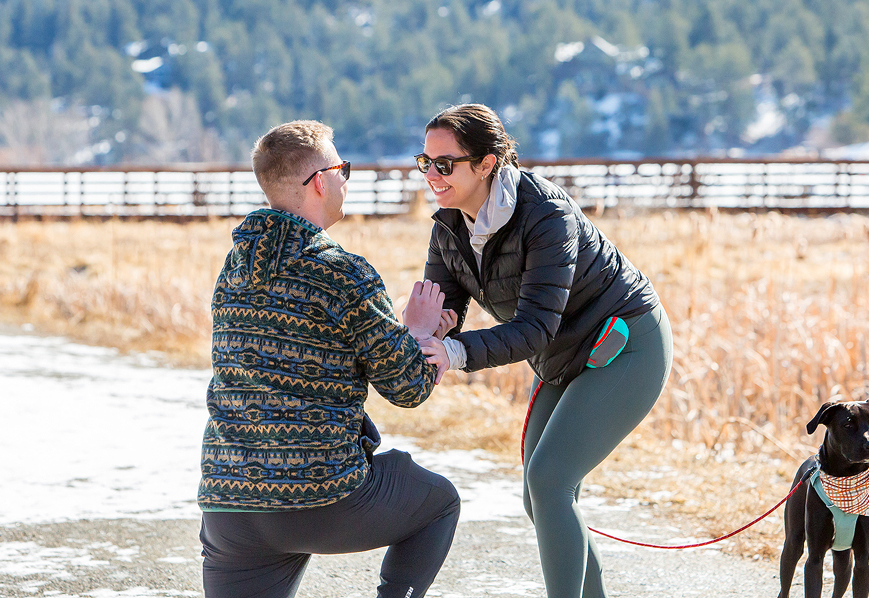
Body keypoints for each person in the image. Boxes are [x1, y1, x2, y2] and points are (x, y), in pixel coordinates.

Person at [414, 104, 674, 598]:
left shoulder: (546, 213)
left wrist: (453, 352)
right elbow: (444, 305)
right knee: (544, 497)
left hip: (626, 343)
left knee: (551, 480)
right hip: (560, 355)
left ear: (487, 163)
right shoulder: (448, 224)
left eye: (444, 164)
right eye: (424, 161)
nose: (432, 174)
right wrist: (432, 326)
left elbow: (532, 327)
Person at [198, 120, 460, 598]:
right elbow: (407, 388)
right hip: (320, 497)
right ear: (320, 181)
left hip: (229, 504)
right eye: (342, 168)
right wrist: (419, 333)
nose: (346, 178)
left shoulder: (232, 271)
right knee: (439, 501)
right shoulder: (343, 273)